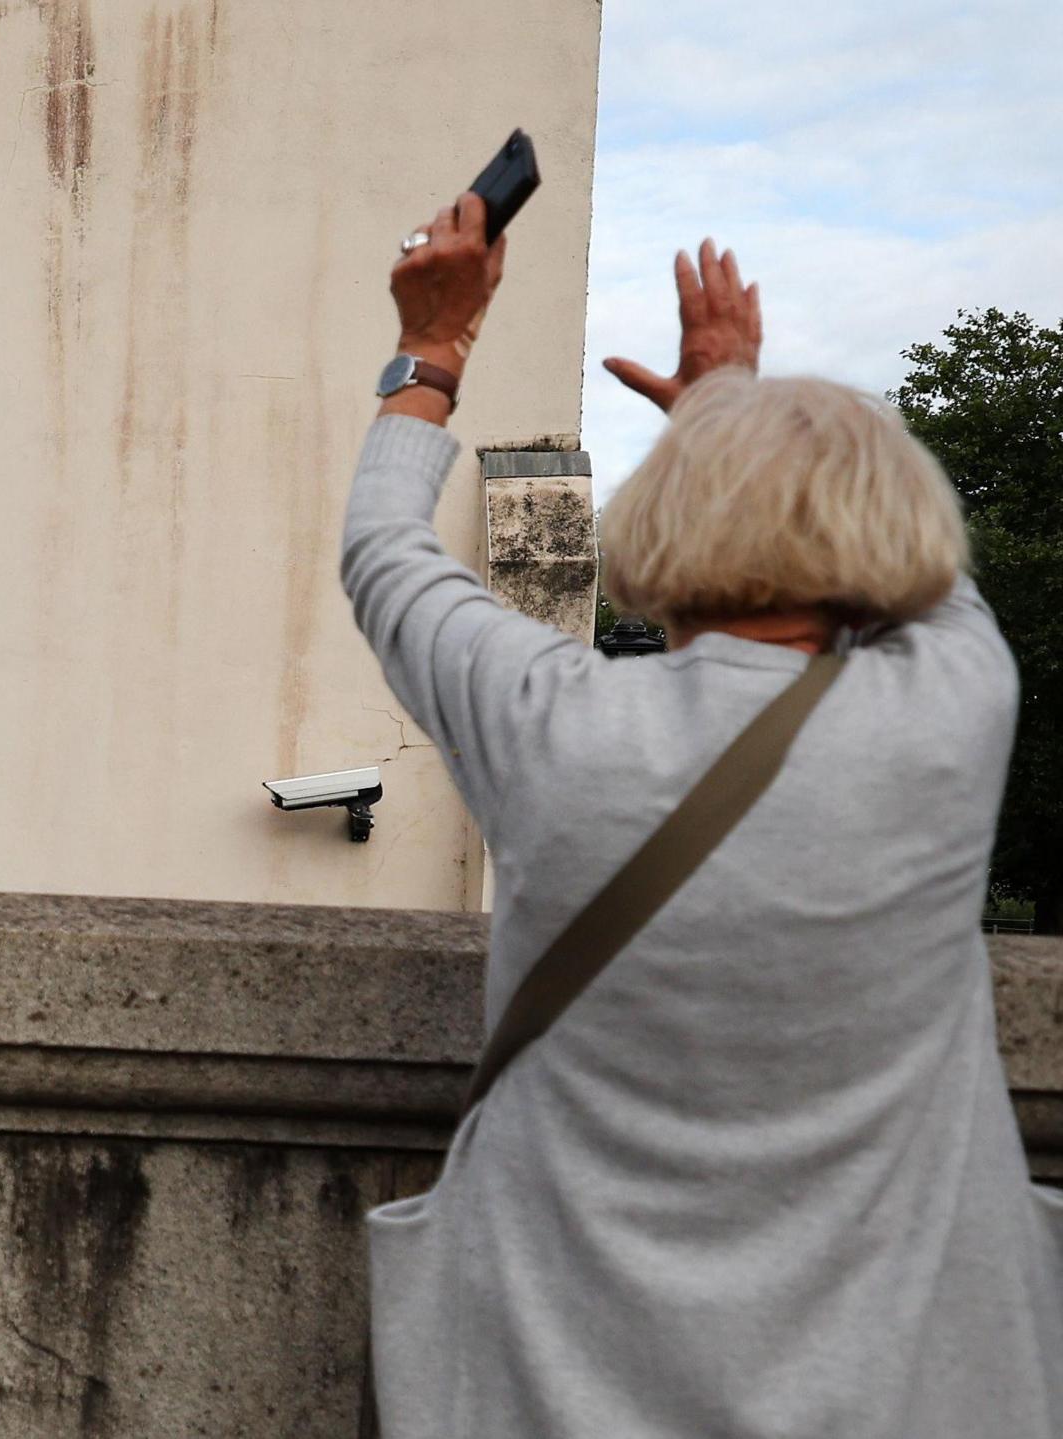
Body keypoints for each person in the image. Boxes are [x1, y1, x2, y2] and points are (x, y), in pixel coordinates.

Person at [346, 193, 1063, 1436]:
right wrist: (730, 405)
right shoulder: (954, 707)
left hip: (558, 1388)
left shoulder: (553, 724)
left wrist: (436, 349)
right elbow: (939, 594)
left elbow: (384, 551)